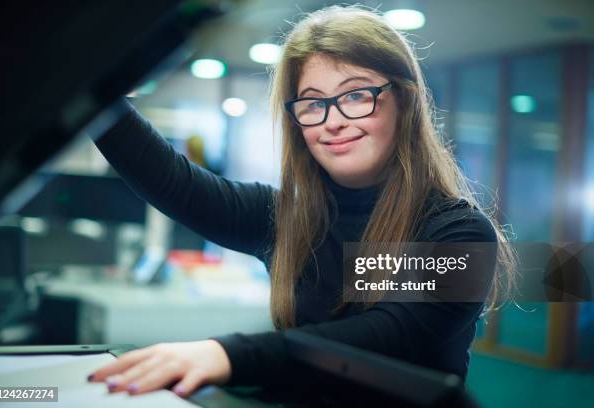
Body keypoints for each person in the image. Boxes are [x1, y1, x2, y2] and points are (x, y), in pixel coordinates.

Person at [87, 5, 514, 399]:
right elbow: (169, 180)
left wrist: (229, 355)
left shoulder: (459, 232)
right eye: (313, 103)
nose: (333, 121)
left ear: (404, 101)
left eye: (355, 95)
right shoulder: (287, 219)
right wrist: (84, 93)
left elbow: (387, 334)